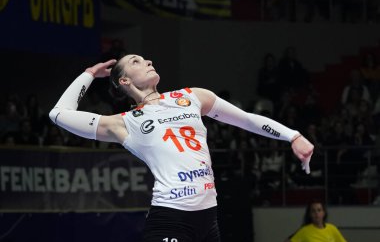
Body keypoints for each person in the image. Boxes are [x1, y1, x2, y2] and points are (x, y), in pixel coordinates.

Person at [49, 55, 314, 242]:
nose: (148, 61)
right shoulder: (123, 124)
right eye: (136, 62)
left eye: (146, 59)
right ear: (125, 82)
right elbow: (59, 113)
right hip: (170, 218)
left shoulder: (192, 97)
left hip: (208, 218)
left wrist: (292, 136)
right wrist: (89, 74)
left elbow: (247, 119)